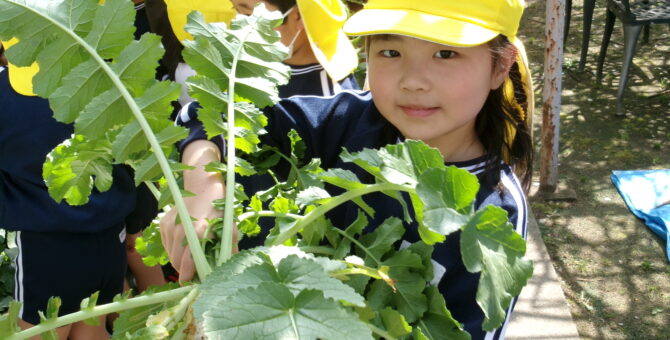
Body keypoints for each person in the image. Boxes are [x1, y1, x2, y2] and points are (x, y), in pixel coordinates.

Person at [160, 0, 534, 338]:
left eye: (445, 54)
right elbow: (213, 117)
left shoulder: (492, 214)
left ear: (500, 66)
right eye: (391, 52)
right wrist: (203, 180)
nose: (413, 81)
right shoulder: (345, 119)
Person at [0, 37, 158, 340]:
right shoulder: (111, 84)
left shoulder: (6, 95)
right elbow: (138, 158)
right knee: (92, 322)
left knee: (45, 328)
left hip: (47, 245)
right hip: (111, 237)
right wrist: (137, 219)